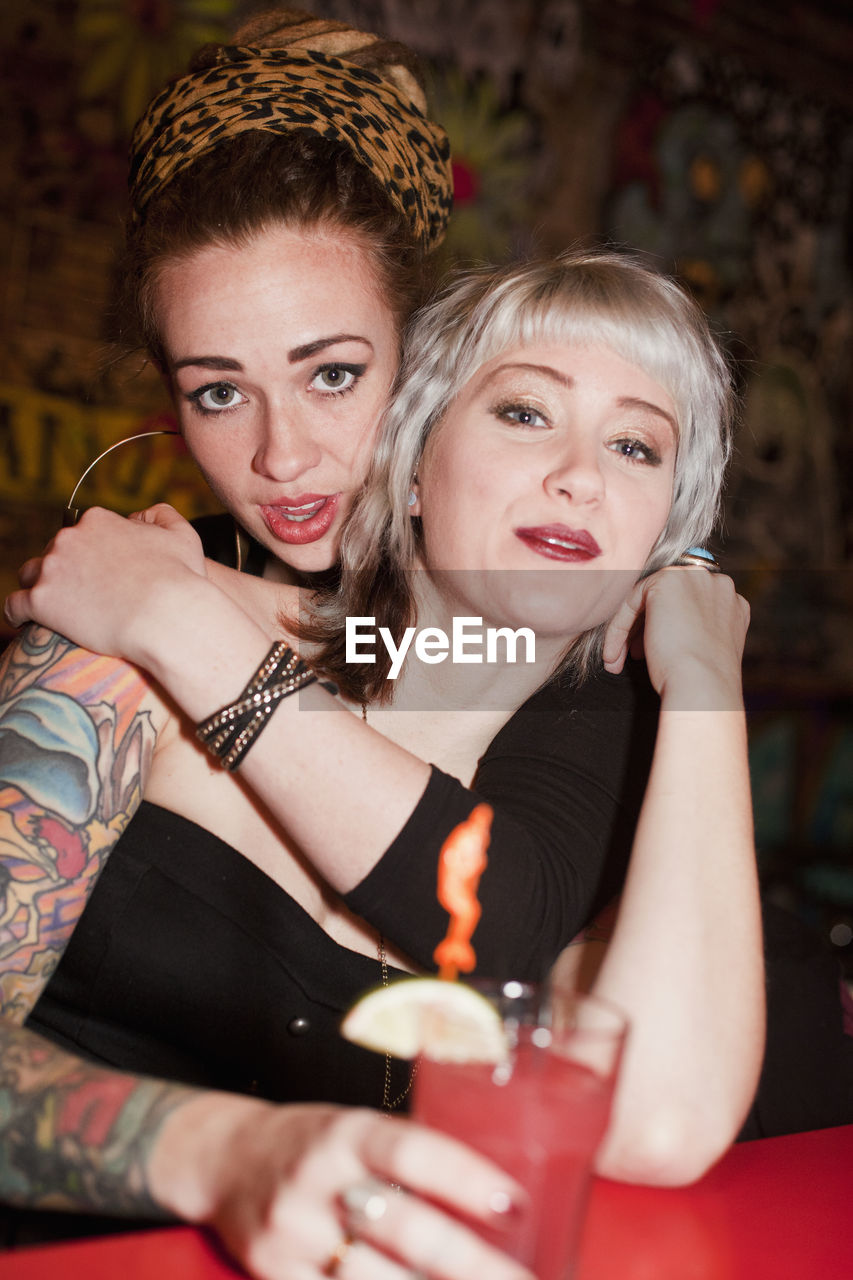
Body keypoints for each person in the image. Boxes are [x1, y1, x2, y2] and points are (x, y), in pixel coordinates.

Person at [2, 248, 763, 1278]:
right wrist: (227, 1153)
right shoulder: (125, 640)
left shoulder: (619, 801)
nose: (580, 475)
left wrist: (708, 675)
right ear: (410, 465)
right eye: (526, 412)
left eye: (636, 445)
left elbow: (662, 1123)